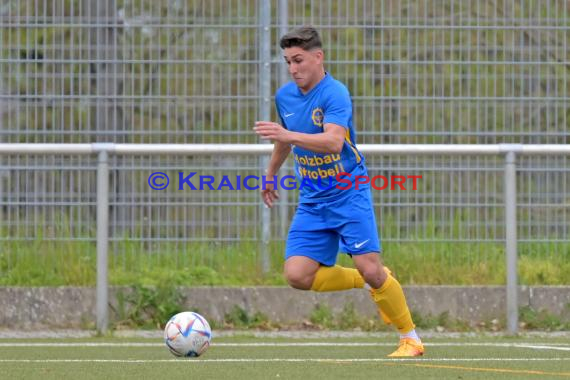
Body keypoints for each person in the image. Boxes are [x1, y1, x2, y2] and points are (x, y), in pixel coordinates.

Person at [254, 26, 424, 357]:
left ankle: (411, 339)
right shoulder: (285, 96)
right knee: (297, 274)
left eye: (299, 60)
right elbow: (285, 139)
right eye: (288, 61)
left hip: (349, 191)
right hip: (313, 199)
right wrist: (271, 173)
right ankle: (369, 281)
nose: (293, 69)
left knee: (371, 267)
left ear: (318, 57)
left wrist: (287, 136)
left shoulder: (336, 94)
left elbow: (332, 142)